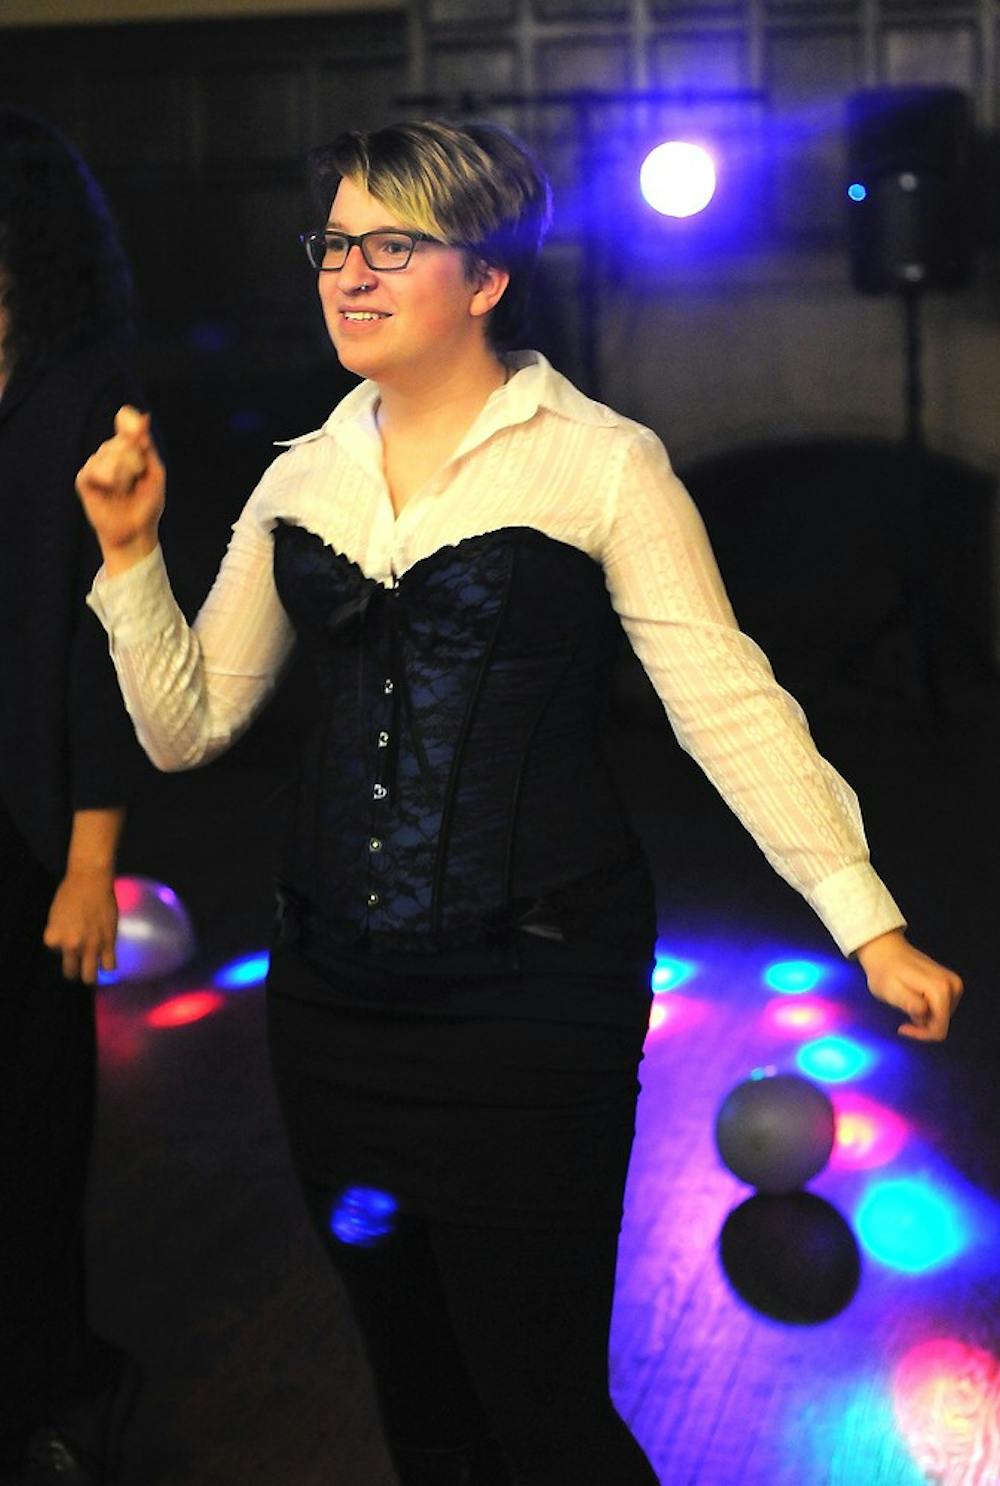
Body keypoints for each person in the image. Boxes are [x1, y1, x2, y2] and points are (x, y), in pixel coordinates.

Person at [76, 119, 963, 1486]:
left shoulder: (602, 461)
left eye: (392, 246)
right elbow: (186, 729)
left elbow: (722, 698)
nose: (347, 276)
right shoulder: (297, 476)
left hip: (534, 997)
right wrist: (132, 557)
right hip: (331, 1004)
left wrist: (867, 917)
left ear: (486, 278)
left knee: (542, 1407)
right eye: (335, 245)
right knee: (418, 1401)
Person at [0, 110, 147, 1485]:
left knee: (31, 1131)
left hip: (25, 829)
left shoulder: (84, 397)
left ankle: (53, 1388)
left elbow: (105, 654)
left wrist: (91, 859)